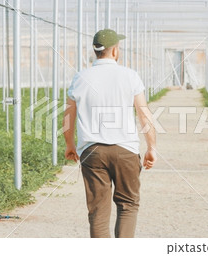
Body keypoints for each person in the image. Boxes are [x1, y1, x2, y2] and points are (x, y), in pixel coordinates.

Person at [63, 29, 157, 238]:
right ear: (114, 51)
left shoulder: (80, 78)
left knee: (98, 211)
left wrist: (69, 144)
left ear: (96, 51)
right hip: (126, 150)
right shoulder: (129, 76)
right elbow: (143, 114)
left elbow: (68, 115)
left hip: (92, 152)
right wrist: (151, 147)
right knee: (128, 205)